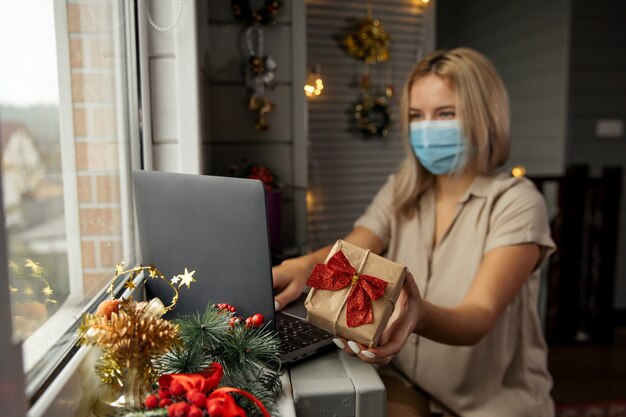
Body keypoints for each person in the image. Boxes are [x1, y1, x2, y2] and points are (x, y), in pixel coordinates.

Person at [272, 47, 555, 417]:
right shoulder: (402, 189)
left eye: (446, 113)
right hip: (406, 382)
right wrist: (302, 267)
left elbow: (477, 317)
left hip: (489, 404)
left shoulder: (517, 203)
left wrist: (417, 314)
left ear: (484, 117)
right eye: (416, 116)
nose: (428, 127)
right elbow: (357, 244)